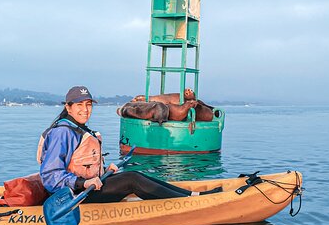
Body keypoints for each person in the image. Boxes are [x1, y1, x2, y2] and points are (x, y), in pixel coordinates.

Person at [38, 86, 221, 202]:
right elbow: (50, 176)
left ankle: (191, 195)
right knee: (132, 180)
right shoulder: (62, 133)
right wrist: (83, 183)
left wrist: (101, 171)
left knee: (133, 173)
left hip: (89, 187)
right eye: (79, 105)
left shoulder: (79, 129)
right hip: (72, 197)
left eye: (88, 105)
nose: (85, 110)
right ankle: (190, 201)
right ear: (68, 108)